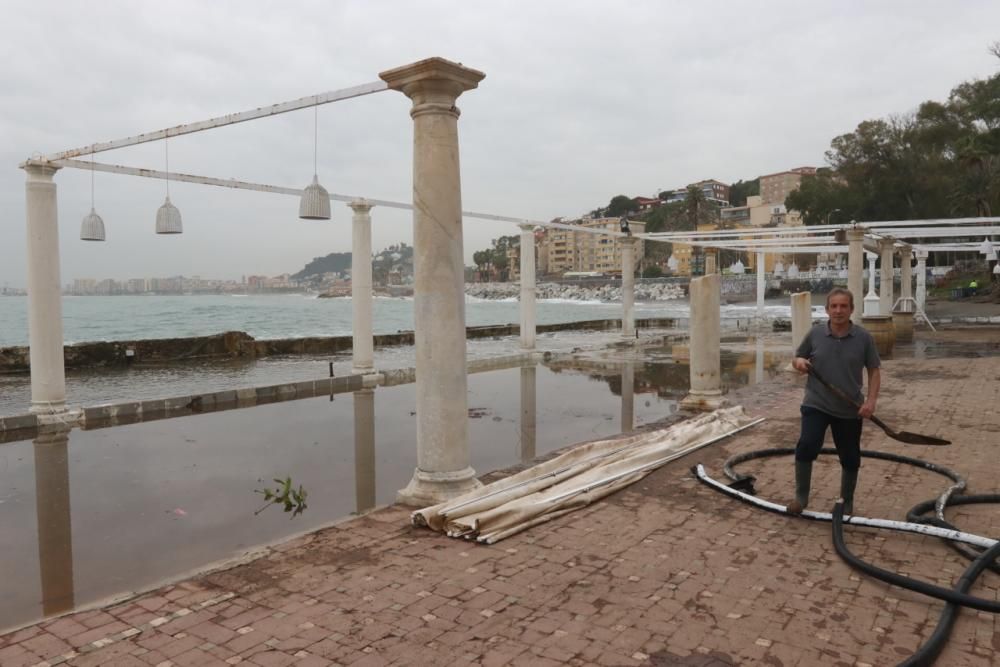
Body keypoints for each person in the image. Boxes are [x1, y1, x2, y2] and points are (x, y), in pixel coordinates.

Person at [788, 287, 881, 515]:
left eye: (843, 306)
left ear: (851, 309)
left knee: (850, 456)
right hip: (816, 402)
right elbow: (798, 357)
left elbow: (874, 370)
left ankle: (846, 501)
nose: (838, 310)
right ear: (827, 309)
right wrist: (799, 363)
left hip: (849, 407)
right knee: (807, 444)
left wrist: (870, 402)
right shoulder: (816, 334)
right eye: (834, 306)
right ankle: (801, 498)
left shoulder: (863, 338)